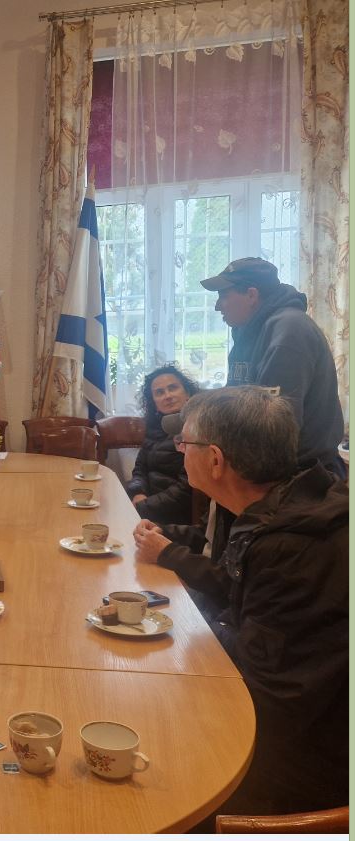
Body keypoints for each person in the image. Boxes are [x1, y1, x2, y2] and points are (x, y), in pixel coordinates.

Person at [133, 387, 348, 819]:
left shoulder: (291, 547)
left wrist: (176, 655)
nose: (178, 450)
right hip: (300, 719)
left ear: (214, 460)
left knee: (139, 767)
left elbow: (271, 690)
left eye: (184, 442)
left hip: (302, 759)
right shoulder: (286, 503)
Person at [201, 257, 344, 472]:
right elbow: (239, 403)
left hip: (299, 474)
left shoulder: (290, 331)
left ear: (251, 295)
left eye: (223, 295)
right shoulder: (249, 332)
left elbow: (274, 426)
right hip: (272, 466)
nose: (217, 306)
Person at [125, 364, 199, 525]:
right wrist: (138, 492)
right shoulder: (154, 427)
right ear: (154, 402)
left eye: (173, 388)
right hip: (146, 507)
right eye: (159, 392)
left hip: (176, 517)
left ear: (187, 393)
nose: (167, 396)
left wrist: (143, 507)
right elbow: (140, 469)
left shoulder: (199, 430)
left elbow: (187, 488)